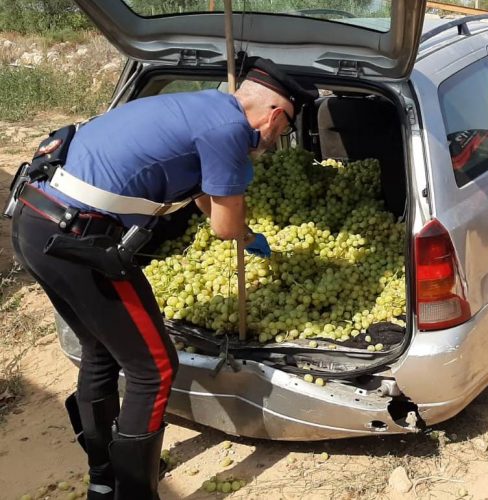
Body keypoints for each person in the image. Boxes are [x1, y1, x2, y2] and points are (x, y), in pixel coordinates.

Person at [8, 58, 313, 499]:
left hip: (36, 223)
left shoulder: (205, 107)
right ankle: (135, 493)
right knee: (154, 369)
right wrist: (240, 227)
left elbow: (207, 196)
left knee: (99, 350)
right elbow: (224, 224)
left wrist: (247, 238)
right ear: (274, 115)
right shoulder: (229, 133)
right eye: (282, 132)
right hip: (79, 241)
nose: (275, 140)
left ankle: (103, 478)